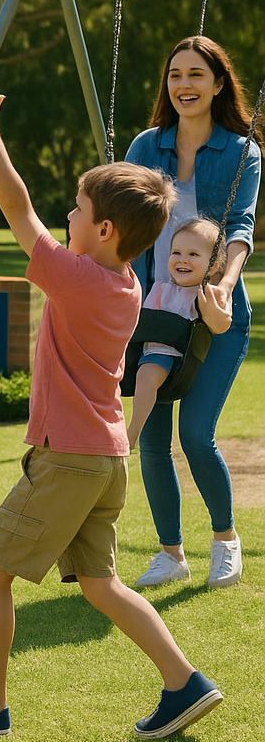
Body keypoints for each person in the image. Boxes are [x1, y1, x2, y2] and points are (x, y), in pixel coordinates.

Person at [0, 68, 222, 741]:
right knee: (99, 584)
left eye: (77, 211)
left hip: (70, 459)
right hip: (106, 459)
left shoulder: (81, 278)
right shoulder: (125, 285)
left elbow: (16, 208)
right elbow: (42, 221)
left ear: (105, 230)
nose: (67, 218)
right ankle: (185, 683)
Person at [124, 36, 261, 590]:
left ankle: (226, 540)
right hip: (151, 309)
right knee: (154, 441)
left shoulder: (242, 150)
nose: (184, 85)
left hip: (213, 314)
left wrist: (223, 287)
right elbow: (119, 218)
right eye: (175, 75)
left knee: (196, 436)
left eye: (196, 75)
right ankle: (170, 552)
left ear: (219, 83)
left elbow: (239, 228)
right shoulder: (145, 147)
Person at [126, 218, 232, 450]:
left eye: (193, 254)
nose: (182, 259)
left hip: (169, 355)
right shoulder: (160, 287)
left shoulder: (205, 294)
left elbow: (218, 321)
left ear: (213, 265)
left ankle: (132, 432)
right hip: (145, 349)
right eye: (176, 252)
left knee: (145, 379)